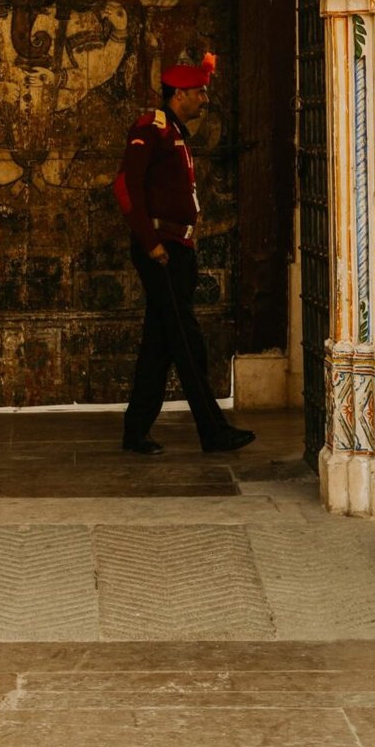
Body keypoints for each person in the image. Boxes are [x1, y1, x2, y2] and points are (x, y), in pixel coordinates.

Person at [116, 53, 255, 456]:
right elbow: (127, 188)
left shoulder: (173, 132)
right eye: (199, 92)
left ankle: (135, 430)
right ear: (179, 95)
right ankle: (213, 432)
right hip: (162, 251)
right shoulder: (152, 128)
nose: (204, 100)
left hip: (177, 249)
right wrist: (151, 243)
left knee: (159, 343)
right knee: (187, 342)